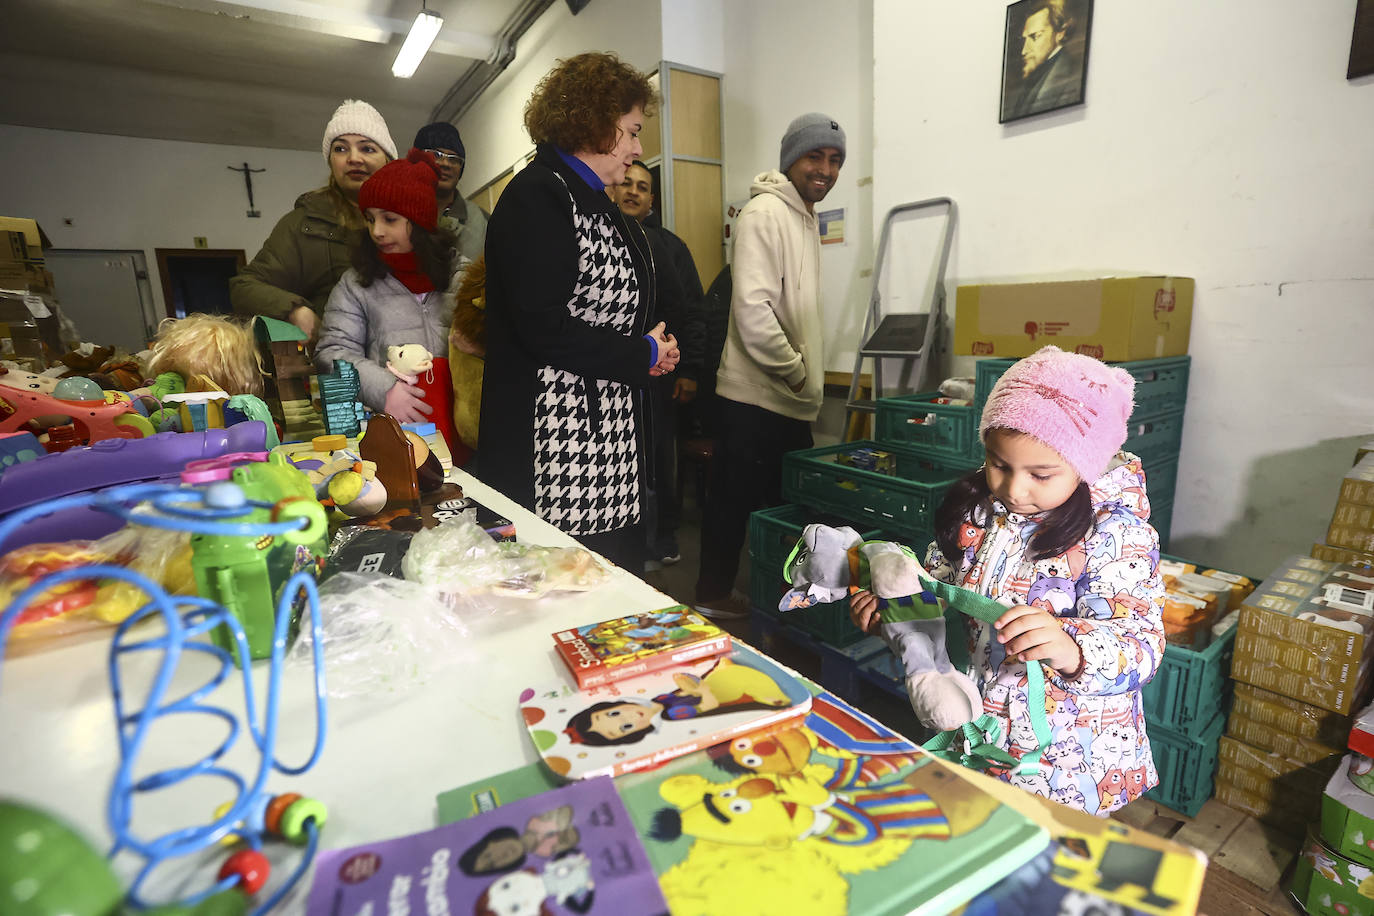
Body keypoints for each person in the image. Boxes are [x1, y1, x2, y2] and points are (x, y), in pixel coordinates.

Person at [850, 345, 1165, 815]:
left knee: (1046, 861)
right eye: (999, 464)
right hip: (976, 721)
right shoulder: (980, 510)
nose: (1014, 490)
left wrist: (1070, 648)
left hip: (1065, 759)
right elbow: (938, 582)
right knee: (976, 832)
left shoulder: (1117, 532)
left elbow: (1142, 643)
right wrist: (898, 611)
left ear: (1088, 464)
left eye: (1041, 474)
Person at [478, 52, 680, 573]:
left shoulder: (594, 201)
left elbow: (603, 305)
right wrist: (641, 352)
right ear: (593, 121)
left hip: (603, 433)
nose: (638, 148)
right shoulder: (540, 196)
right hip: (559, 443)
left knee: (608, 584)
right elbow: (544, 326)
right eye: (632, 131)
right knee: (568, 585)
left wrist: (649, 344)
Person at [693, 112, 845, 619]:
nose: (825, 169)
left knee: (780, 506)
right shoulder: (764, 214)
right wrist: (796, 369)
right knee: (734, 501)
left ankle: (777, 601)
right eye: (814, 156)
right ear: (791, 160)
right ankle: (713, 594)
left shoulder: (804, 217)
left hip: (787, 398)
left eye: (834, 160)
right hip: (754, 397)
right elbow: (753, 311)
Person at [231, 99, 397, 341]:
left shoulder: (414, 217)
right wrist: (295, 310)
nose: (353, 158)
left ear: (388, 158)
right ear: (330, 160)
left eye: (367, 148)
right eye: (340, 148)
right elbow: (244, 286)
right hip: (340, 362)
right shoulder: (304, 223)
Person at [609, 160, 706, 568]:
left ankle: (664, 533)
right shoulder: (600, 237)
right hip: (611, 370)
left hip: (662, 375)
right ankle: (624, 540)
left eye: (643, 187)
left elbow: (693, 313)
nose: (633, 191)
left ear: (652, 200)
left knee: (661, 458)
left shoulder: (671, 246)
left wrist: (690, 370)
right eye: (626, 183)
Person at [314, 149, 454, 425]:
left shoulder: (461, 276)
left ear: (420, 222)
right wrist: (383, 389)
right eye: (370, 218)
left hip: (463, 427)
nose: (377, 231)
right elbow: (331, 352)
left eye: (390, 219)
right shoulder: (355, 284)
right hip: (398, 431)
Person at [412, 121, 488, 279]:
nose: (446, 164)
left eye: (454, 158)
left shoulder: (482, 222)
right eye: (436, 154)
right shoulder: (396, 215)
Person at [1006, 0, 1083, 120]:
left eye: (1035, 37)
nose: (1024, 51)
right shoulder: (1032, 74)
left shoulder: (1073, 75)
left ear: (1060, 34)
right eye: (1025, 39)